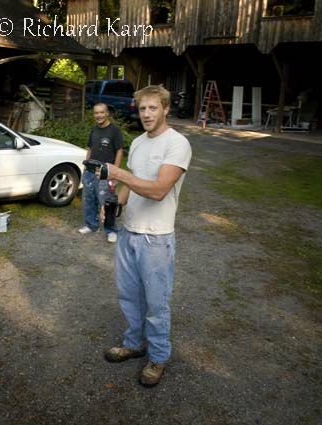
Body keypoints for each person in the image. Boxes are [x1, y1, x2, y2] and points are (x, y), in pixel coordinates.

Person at [102, 85, 192, 387]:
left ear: (166, 108)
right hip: (129, 234)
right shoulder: (138, 143)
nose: (147, 114)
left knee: (156, 303)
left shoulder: (177, 144)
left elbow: (158, 190)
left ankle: (158, 356)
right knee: (129, 296)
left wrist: (116, 172)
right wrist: (116, 205)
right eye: (142, 108)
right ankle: (134, 343)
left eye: (153, 108)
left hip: (157, 239)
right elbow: (133, 183)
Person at [78, 103, 124, 243]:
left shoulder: (114, 131)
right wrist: (85, 167)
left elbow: (120, 151)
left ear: (107, 113)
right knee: (89, 200)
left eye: (101, 112)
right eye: (96, 113)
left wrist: (114, 173)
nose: (99, 115)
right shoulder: (94, 130)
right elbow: (90, 148)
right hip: (90, 172)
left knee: (107, 202)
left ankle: (111, 230)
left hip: (106, 173)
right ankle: (91, 225)